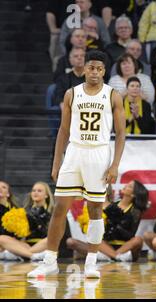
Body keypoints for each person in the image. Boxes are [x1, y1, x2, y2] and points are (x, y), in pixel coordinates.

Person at [27, 50, 126, 278]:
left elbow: (121, 133)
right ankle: (50, 260)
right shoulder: (72, 94)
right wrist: (56, 162)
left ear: (104, 71)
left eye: (99, 69)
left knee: (94, 209)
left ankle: (91, 262)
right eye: (91, 67)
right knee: (60, 207)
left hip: (99, 153)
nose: (94, 72)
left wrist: (114, 165)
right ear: (84, 68)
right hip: (74, 151)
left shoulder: (113, 95)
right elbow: (63, 130)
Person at [66, 180, 148, 262]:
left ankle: (109, 256)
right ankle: (115, 257)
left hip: (125, 247)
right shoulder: (112, 205)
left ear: (133, 194)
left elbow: (129, 233)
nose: (125, 186)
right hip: (105, 245)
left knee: (138, 240)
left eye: (129, 186)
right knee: (71, 242)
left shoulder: (135, 211)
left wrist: (110, 217)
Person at [0, 182, 54, 261]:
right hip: (26, 245)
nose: (35, 193)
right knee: (2, 238)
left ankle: (20, 254)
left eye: (39, 191)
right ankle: (32, 256)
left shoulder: (53, 212)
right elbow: (21, 236)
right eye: (33, 190)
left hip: (43, 244)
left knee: (51, 239)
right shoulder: (24, 211)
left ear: (46, 195)